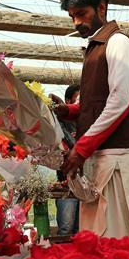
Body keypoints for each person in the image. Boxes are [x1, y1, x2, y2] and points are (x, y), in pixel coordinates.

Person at [55, 0, 129, 238]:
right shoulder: (97, 46)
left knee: (118, 239)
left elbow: (120, 102)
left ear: (101, 8)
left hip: (119, 160)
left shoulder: (118, 43)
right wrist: (72, 111)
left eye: (81, 14)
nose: (76, 23)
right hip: (104, 158)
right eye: (72, 17)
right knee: (101, 239)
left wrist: (81, 149)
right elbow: (98, 101)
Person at [54, 84, 81, 236]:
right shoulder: (58, 124)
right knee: (66, 228)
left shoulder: (86, 122)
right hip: (66, 184)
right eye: (77, 101)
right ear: (67, 101)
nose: (79, 106)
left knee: (82, 230)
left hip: (87, 184)